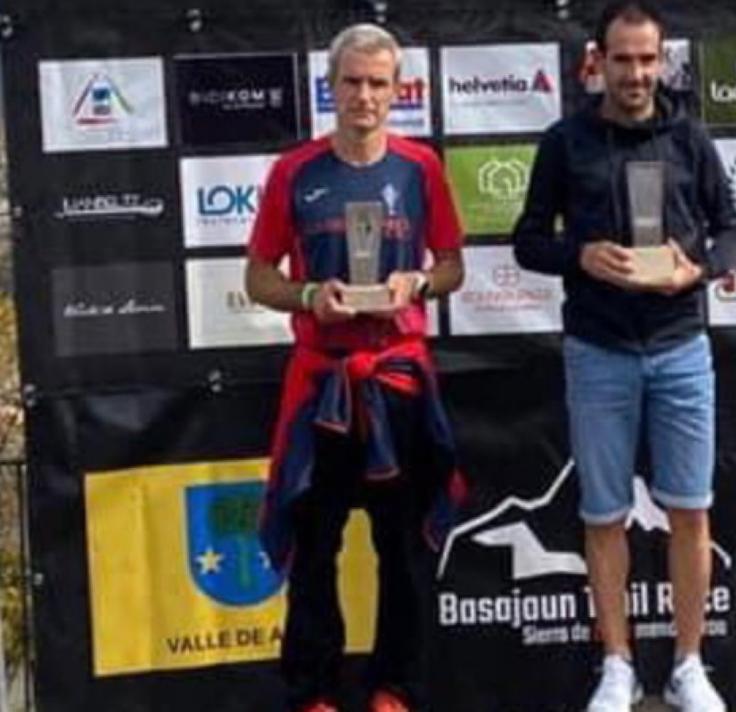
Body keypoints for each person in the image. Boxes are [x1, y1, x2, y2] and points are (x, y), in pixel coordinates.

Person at [513, 2, 736, 710]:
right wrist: (579, 256)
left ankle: (687, 665)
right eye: (623, 60)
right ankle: (617, 665)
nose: (637, 74)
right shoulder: (565, 141)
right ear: (598, 61)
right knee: (604, 515)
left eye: (648, 59)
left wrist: (698, 270)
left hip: (680, 347)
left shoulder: (691, 137)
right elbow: (528, 240)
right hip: (598, 349)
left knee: (691, 511)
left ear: (662, 60)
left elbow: (733, 232)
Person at [245, 22, 466, 712]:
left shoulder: (421, 167)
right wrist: (310, 296)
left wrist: (418, 284)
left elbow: (452, 266)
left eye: (377, 83)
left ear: (397, 91)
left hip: (398, 381)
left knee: (402, 548)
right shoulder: (295, 171)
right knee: (315, 546)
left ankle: (395, 687)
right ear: (330, 87)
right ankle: (314, 691)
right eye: (351, 82)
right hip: (324, 383)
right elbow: (258, 277)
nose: (364, 96)